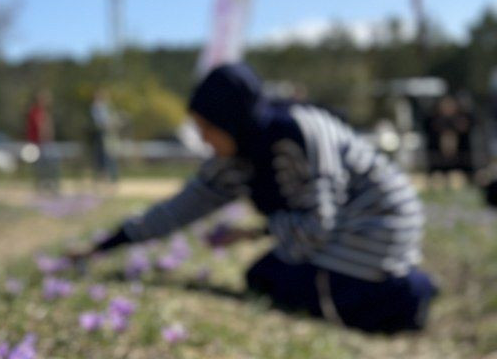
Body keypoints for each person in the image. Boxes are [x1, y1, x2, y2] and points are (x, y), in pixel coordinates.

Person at [71, 63, 438, 334]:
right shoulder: (235, 158)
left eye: (208, 129)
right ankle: (394, 295)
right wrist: (104, 246)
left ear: (233, 121)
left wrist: (250, 233)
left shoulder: (296, 135)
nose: (203, 140)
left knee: (272, 279)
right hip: (344, 233)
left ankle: (405, 297)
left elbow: (317, 226)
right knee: (266, 276)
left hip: (377, 224)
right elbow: (177, 209)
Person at [25, 90, 60, 191]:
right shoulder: (36, 112)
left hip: (45, 143)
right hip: (39, 144)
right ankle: (44, 185)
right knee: (43, 165)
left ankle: (48, 184)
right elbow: (41, 128)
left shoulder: (44, 112)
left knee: (50, 164)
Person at [90, 88, 120, 184]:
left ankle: (111, 176)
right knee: (103, 156)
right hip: (102, 134)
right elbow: (102, 122)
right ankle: (104, 176)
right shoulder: (96, 107)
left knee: (110, 155)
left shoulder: (105, 107)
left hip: (109, 134)